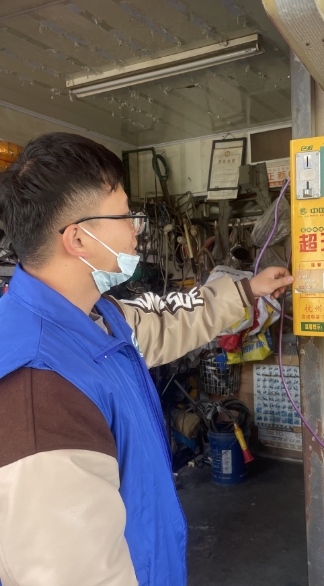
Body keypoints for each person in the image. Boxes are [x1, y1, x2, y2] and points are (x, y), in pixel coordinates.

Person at [0, 133, 293, 586]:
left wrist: (247, 291)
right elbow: (75, 573)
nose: (137, 228)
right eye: (125, 216)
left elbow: (167, 324)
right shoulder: (39, 391)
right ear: (78, 239)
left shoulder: (98, 318)